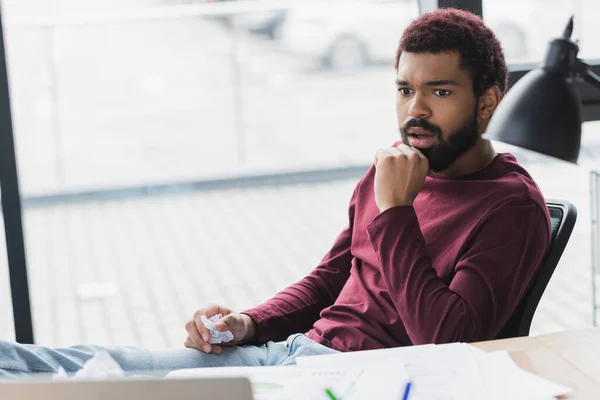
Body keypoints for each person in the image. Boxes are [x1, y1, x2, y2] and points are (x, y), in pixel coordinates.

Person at [0, 8, 551, 377]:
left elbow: (450, 344)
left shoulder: (509, 206)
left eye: (440, 91)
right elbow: (331, 278)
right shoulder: (396, 168)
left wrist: (396, 212)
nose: (415, 111)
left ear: (486, 102)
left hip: (356, 380)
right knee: (85, 365)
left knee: (114, 382)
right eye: (405, 89)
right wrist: (248, 322)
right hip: (294, 357)